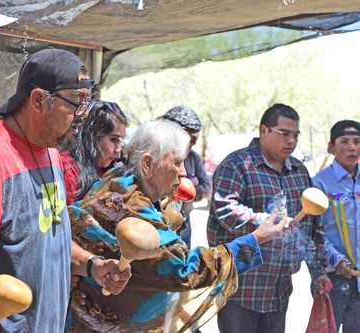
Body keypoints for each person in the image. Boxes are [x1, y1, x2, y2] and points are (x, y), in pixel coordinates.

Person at [0, 49, 130, 333]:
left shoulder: (49, 150)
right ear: (39, 99)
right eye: (76, 103)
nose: (82, 117)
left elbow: (45, 239)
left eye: (86, 105)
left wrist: (92, 265)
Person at [68, 119, 289, 332]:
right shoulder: (132, 207)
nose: (183, 173)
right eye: (176, 162)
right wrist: (256, 239)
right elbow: (183, 269)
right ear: (147, 164)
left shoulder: (118, 181)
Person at [207, 103, 329, 333]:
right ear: (263, 130)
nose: (291, 141)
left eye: (295, 135)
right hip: (240, 291)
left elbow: (310, 230)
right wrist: (268, 224)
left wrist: (318, 272)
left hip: (279, 292)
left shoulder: (299, 172)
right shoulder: (238, 165)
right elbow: (225, 209)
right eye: (284, 133)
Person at [312, 120, 360, 333]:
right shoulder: (319, 183)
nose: (352, 147)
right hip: (333, 276)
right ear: (331, 146)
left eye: (357, 142)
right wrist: (335, 259)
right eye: (345, 141)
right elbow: (314, 232)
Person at [162, 105, 212, 247]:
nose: (191, 144)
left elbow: (206, 187)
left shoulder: (193, 158)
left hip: (183, 226)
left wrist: (187, 190)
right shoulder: (153, 157)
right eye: (189, 139)